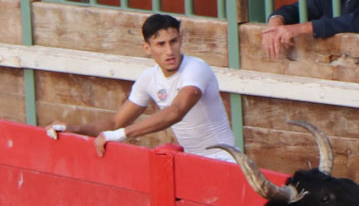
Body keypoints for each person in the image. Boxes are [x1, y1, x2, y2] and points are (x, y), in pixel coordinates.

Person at [45, 13, 236, 162]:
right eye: (160, 44)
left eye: (174, 41)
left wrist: (120, 135)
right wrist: (73, 129)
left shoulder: (196, 68)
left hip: (224, 160)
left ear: (181, 39)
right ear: (147, 48)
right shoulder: (148, 79)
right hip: (192, 161)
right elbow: (114, 122)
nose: (169, 51)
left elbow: (176, 111)